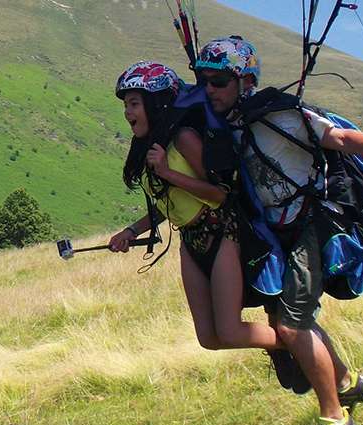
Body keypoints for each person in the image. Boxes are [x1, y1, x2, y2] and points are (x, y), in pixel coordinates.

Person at [193, 36, 363, 425]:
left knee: (291, 326)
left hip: (310, 226)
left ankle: (336, 419)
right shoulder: (224, 126)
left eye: (218, 81)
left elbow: (339, 139)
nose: (209, 89)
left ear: (245, 81)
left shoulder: (285, 115)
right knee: (284, 319)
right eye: (203, 81)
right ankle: (347, 382)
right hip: (275, 236)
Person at [106, 61, 286, 359]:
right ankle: (284, 347)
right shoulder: (153, 147)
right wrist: (130, 231)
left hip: (222, 232)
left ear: (156, 102)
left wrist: (167, 172)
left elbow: (220, 195)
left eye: (134, 104)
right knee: (209, 338)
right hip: (190, 240)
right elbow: (170, 205)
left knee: (228, 331)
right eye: (126, 105)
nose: (128, 113)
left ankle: (295, 343)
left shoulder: (183, 139)